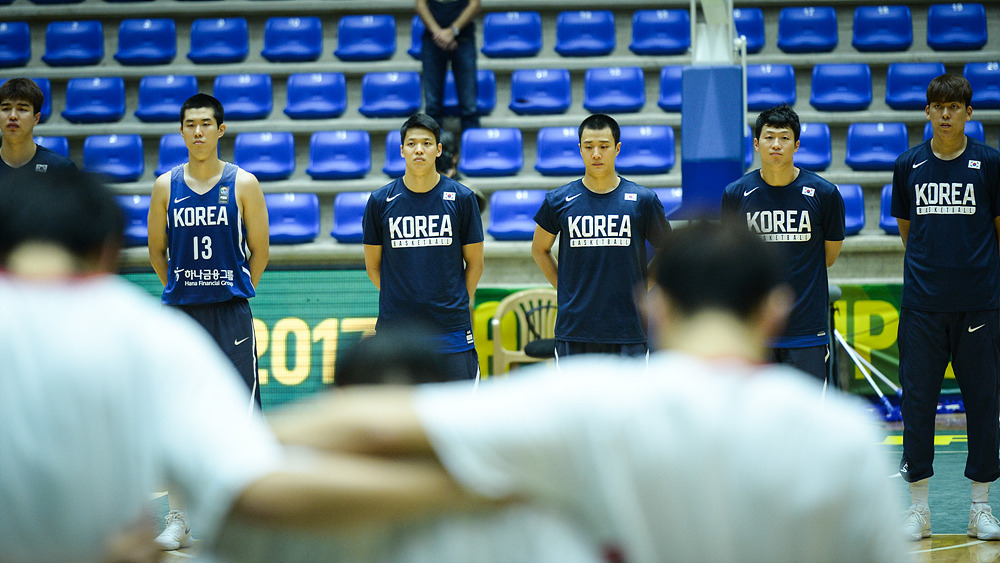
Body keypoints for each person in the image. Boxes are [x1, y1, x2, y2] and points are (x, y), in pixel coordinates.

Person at [273, 222, 906, 562]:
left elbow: (379, 425)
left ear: (653, 308)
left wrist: (209, 438)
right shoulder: (847, 438)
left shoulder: (591, 402)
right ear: (774, 311)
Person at [0, 167, 489, 562]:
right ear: (106, 250)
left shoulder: (148, 331)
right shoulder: (147, 334)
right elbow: (253, 487)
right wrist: (474, 484)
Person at [146, 93, 269, 549]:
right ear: (181, 131)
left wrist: (231, 288)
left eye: (205, 124)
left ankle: (247, 517)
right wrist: (183, 287)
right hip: (181, 315)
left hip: (230, 313)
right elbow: (157, 253)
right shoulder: (165, 186)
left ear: (221, 130)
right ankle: (181, 516)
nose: (197, 131)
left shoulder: (244, 183)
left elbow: (261, 251)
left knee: (241, 415)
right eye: (189, 124)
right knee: (178, 417)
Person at [891, 73, 1000, 541]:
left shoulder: (991, 164)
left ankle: (981, 507)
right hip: (922, 306)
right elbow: (906, 228)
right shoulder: (908, 165)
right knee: (917, 405)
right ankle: (919, 510)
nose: (946, 114)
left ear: (969, 113)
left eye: (955, 107)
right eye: (938, 106)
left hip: (979, 304)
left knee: (983, 404)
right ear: (929, 112)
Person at [721, 104, 846, 382]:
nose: (776, 144)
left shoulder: (825, 194)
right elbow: (734, 258)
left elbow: (828, 256)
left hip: (807, 331)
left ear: (796, 144)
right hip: (755, 331)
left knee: (806, 421)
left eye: (784, 137)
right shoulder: (736, 194)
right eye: (769, 137)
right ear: (756, 143)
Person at [531, 113, 672, 359]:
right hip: (575, 328)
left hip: (628, 328)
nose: (596, 153)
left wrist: (643, 287)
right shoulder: (558, 200)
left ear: (617, 149)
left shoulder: (643, 200)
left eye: (604, 146)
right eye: (589, 147)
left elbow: (669, 251)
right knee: (576, 399)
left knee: (629, 399)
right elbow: (539, 249)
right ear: (580, 150)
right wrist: (564, 288)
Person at [362, 113, 484, 382]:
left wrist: (456, 301)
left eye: (427, 143)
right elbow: (373, 265)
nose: (419, 149)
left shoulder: (462, 198)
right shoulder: (380, 201)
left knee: (458, 418)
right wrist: (402, 297)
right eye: (412, 143)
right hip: (398, 331)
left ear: (439, 150)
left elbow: (475, 263)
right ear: (402, 150)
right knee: (399, 421)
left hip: (451, 330)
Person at [415, 0, 481, 131]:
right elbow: (420, 4)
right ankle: (433, 149)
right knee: (432, 106)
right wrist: (440, 34)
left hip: (464, 40)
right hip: (432, 41)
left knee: (469, 106)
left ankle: (473, 148)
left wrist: (452, 31)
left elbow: (475, 4)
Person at [0, 77, 76, 176]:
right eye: (6, 109)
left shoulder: (62, 169)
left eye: (22, 109)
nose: (13, 116)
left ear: (36, 118)